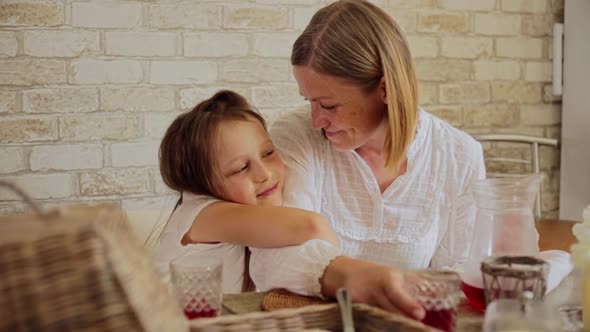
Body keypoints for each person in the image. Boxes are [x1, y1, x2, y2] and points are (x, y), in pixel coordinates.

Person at [248, 0, 486, 320]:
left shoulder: (459, 156)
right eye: (310, 102)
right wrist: (356, 277)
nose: (317, 120)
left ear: (385, 89)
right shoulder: (297, 137)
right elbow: (272, 259)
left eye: (329, 105)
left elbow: (458, 278)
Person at [155, 90, 338, 294]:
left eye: (268, 153)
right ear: (200, 182)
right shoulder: (203, 214)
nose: (264, 173)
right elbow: (312, 226)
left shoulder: (247, 220)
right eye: (242, 167)